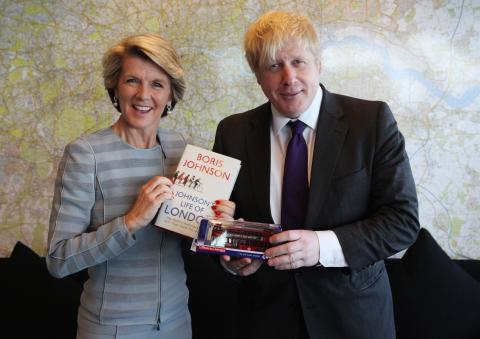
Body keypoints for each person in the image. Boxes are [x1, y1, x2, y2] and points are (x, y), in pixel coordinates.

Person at [213, 11, 420, 339]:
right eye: (273, 66)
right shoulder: (232, 132)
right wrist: (232, 258)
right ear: (257, 76)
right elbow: (222, 221)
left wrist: (321, 247)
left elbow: (402, 221)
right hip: (266, 319)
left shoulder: (371, 122)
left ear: (318, 63)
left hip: (353, 319)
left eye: (298, 61)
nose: (289, 78)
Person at [46, 34, 234, 339]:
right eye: (132, 80)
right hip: (111, 329)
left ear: (171, 95)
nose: (143, 94)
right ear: (115, 88)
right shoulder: (85, 154)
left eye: (157, 84)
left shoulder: (181, 150)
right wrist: (132, 220)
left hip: (177, 322)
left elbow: (194, 236)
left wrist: (219, 225)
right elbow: (58, 259)